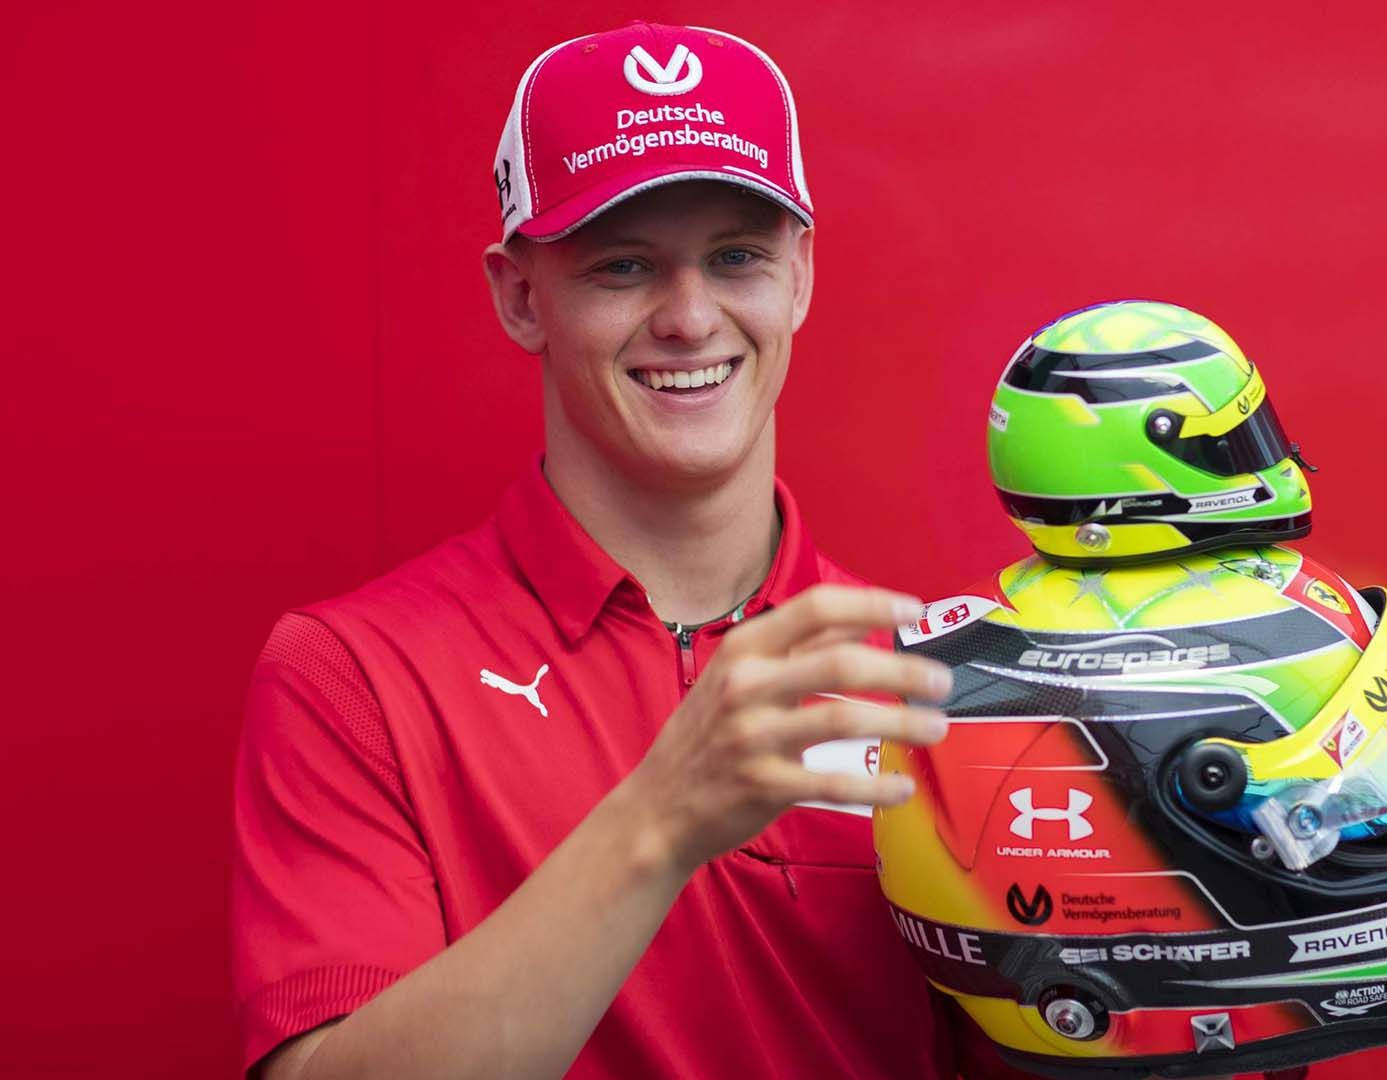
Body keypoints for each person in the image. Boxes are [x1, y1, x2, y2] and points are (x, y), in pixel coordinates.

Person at [231, 20, 1003, 1079]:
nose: (689, 318)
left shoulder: (927, 675)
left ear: (800, 278)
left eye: (736, 257)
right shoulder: (353, 675)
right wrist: (662, 819)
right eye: (623, 266)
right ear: (519, 295)